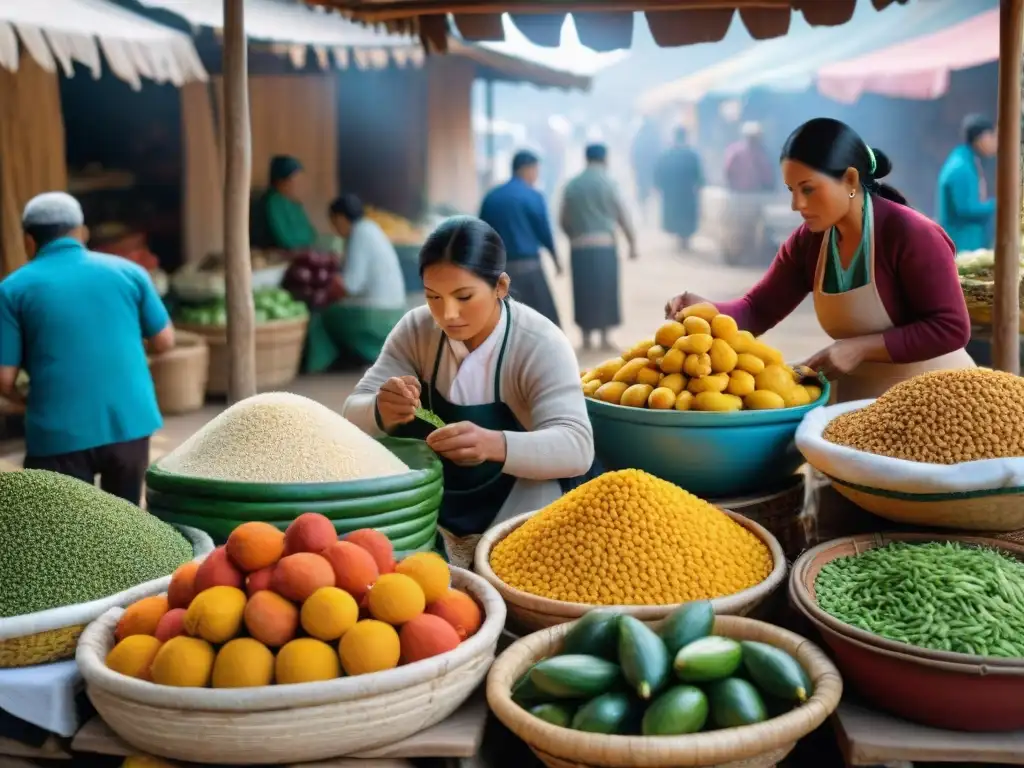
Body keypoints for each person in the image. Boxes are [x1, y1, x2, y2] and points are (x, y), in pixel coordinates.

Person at [665, 117, 973, 405]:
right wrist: (707, 310)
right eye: (791, 190)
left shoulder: (911, 234)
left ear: (850, 180)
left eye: (808, 189)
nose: (796, 204)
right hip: (861, 404)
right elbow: (757, 311)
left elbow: (951, 327)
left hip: (939, 399)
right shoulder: (808, 242)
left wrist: (860, 348)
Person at [342, 216, 595, 566]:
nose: (448, 314)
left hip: (521, 499)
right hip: (436, 497)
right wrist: (380, 408)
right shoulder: (417, 329)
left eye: (464, 296)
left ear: (500, 286)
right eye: (433, 297)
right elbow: (351, 412)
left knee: (514, 566)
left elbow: (577, 446)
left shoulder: (539, 343)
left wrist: (493, 443)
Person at [0, 192, 174, 502]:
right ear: (82, 232)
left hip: (57, 433)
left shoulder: (12, 289)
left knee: (68, 538)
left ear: (28, 240)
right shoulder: (130, 272)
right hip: (129, 422)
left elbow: (4, 379)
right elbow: (164, 342)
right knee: (125, 527)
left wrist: (28, 401)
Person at [309, 194, 408, 368]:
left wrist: (325, 294)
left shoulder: (359, 234)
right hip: (395, 309)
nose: (334, 229)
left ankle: (330, 362)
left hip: (377, 315)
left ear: (340, 218)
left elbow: (350, 285)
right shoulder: (371, 228)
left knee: (322, 315)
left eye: (333, 222)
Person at [560, 143, 638, 352]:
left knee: (583, 290)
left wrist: (573, 236)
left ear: (586, 158)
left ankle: (585, 337)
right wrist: (632, 242)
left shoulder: (573, 185)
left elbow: (563, 219)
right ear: (605, 159)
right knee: (605, 289)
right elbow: (623, 214)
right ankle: (604, 337)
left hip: (580, 246)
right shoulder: (610, 182)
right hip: (605, 245)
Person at [479, 151, 563, 327]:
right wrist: (556, 259)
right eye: (535, 170)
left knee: (506, 324)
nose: (536, 175)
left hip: (501, 272)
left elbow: (482, 235)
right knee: (543, 324)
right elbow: (544, 232)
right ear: (527, 169)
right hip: (530, 270)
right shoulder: (533, 196)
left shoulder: (492, 197)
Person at [936, 114, 997, 252]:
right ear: (981, 138)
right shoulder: (961, 167)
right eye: (993, 136)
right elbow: (966, 208)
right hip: (962, 245)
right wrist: (1002, 204)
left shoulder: (968, 161)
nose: (996, 142)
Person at [654, 127, 705, 250]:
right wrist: (699, 186)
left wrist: (660, 187)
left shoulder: (667, 154)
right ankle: (684, 238)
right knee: (686, 216)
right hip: (687, 192)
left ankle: (681, 238)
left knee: (675, 215)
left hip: (672, 192)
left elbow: (659, 173)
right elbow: (699, 175)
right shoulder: (691, 154)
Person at [258, 155, 318, 251]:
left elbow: (311, 235)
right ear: (281, 182)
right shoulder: (273, 202)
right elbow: (285, 240)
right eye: (295, 180)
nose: (300, 185)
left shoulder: (294, 203)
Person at [724, 122, 775, 193]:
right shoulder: (735, 152)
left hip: (756, 193)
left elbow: (767, 175)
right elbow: (728, 172)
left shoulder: (762, 154)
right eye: (752, 137)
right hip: (738, 193)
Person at [631, 117, 662, 217]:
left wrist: (635, 167)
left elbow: (634, 154)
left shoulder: (639, 138)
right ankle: (654, 214)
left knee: (643, 193)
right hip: (653, 170)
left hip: (642, 170)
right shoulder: (655, 137)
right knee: (655, 191)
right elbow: (660, 153)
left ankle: (645, 213)